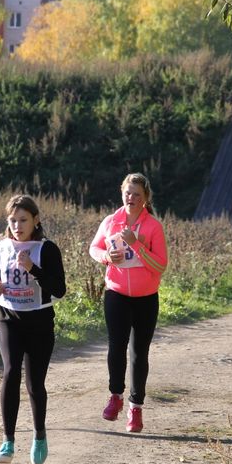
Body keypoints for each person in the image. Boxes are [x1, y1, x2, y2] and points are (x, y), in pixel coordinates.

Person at [0, 195, 66, 464]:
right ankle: (8, 441)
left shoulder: (47, 249)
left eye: (23, 220)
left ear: (36, 220)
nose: (18, 225)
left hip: (39, 322)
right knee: (10, 372)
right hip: (9, 317)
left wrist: (33, 268)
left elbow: (59, 289)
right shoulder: (2, 246)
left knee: (35, 384)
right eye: (13, 220)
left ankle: (39, 436)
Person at [89, 173, 168, 433]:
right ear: (121, 193)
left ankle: (136, 408)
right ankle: (116, 397)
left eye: (137, 194)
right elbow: (93, 248)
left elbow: (161, 265)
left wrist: (139, 246)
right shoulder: (111, 221)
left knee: (139, 353)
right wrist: (107, 257)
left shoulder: (153, 226)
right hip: (117, 293)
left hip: (146, 298)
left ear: (146, 199)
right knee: (116, 346)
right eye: (127, 193)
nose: (131, 198)